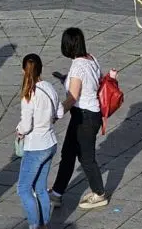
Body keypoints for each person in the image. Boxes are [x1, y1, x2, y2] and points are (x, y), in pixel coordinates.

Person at [48, 27, 109, 210]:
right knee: (68, 154)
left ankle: (99, 193)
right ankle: (57, 193)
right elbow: (92, 82)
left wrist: (56, 114)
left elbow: (73, 97)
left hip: (84, 117)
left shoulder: (76, 67)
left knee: (86, 157)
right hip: (87, 115)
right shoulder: (91, 58)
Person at [16, 53, 59, 229]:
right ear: (41, 69)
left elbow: (26, 126)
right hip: (50, 143)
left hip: (36, 146)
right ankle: (44, 224)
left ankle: (35, 225)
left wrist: (18, 130)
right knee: (40, 187)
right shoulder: (49, 87)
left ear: (23, 71)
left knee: (24, 189)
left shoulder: (28, 94)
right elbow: (61, 112)